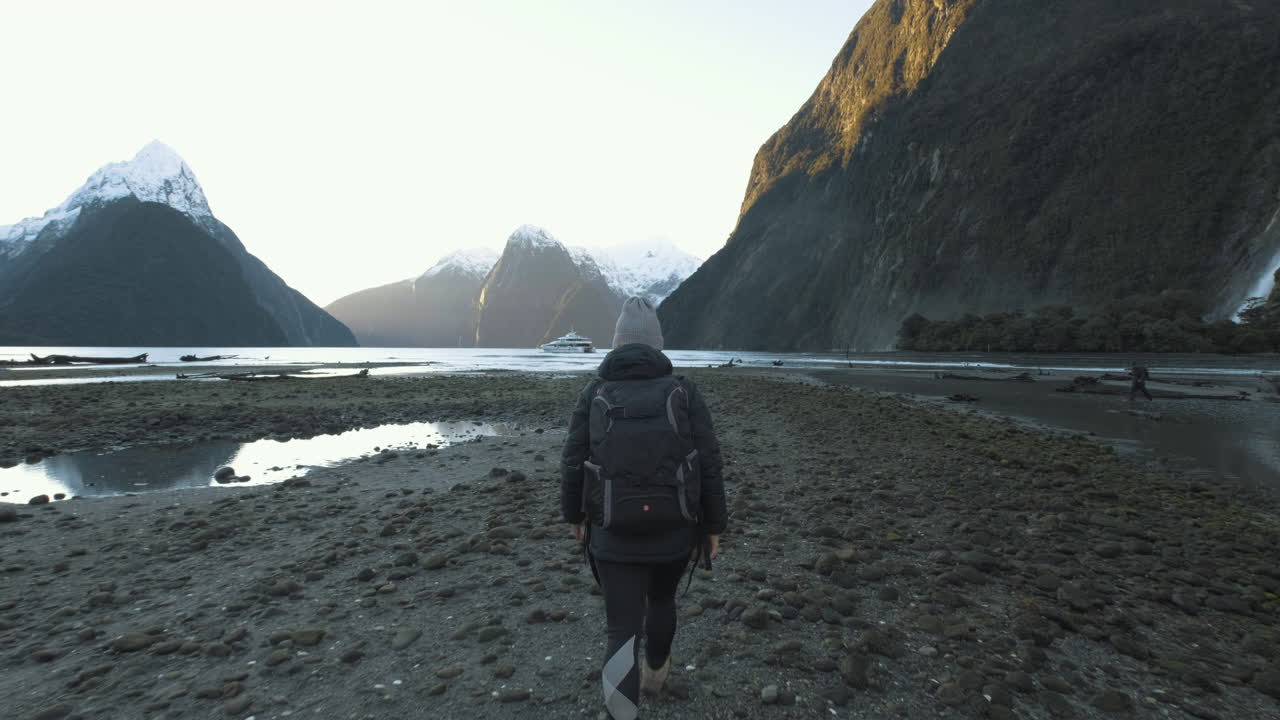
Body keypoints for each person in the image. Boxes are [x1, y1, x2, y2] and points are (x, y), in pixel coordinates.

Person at [560, 297, 727, 720]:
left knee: (621, 628)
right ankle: (655, 670)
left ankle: (622, 713)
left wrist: (574, 516)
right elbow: (709, 462)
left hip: (612, 531)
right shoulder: (684, 392)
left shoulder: (594, 392)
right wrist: (713, 526)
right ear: (658, 344)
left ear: (617, 343)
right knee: (663, 601)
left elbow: (573, 460)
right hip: (675, 530)